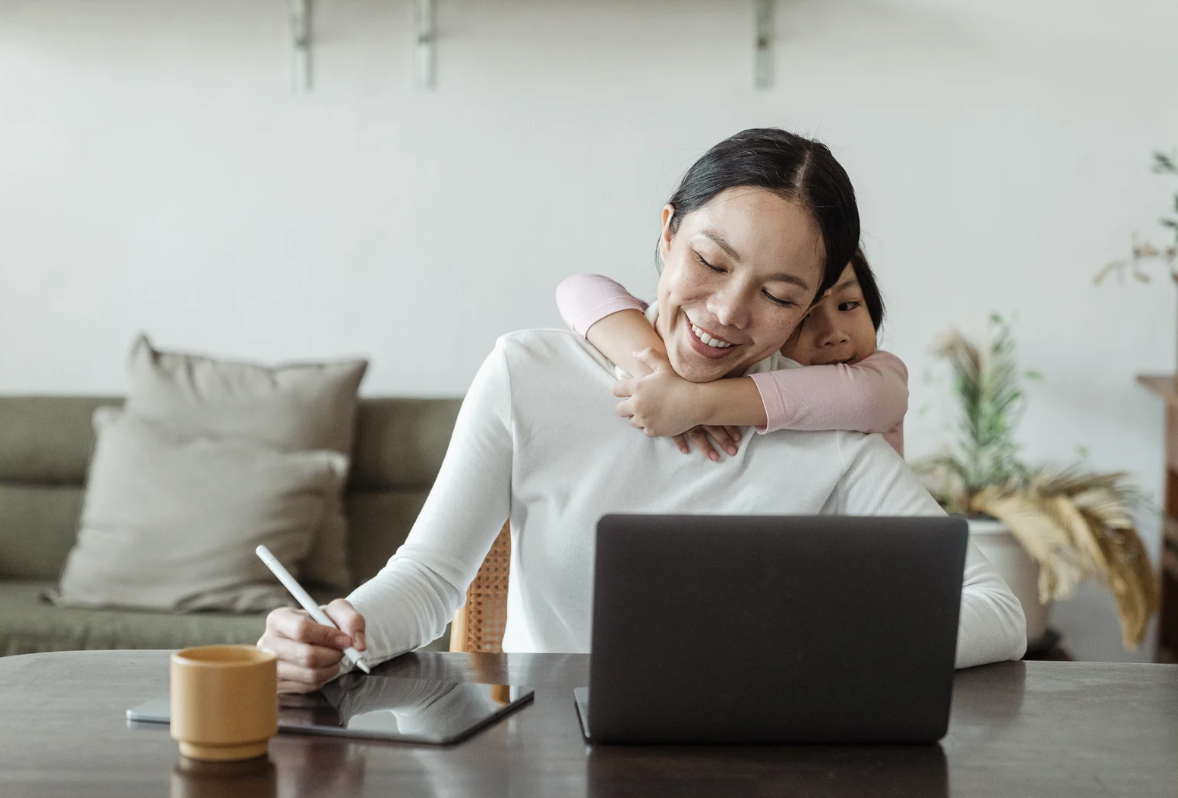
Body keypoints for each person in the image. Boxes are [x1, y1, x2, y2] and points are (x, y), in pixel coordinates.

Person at [259, 128, 1027, 694]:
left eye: (779, 295)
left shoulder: (828, 433)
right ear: (666, 234)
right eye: (711, 262)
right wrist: (335, 630)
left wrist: (826, 645)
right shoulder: (529, 375)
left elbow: (997, 611)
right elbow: (428, 581)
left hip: (756, 767)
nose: (727, 312)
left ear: (810, 309)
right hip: (547, 761)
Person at [554, 247, 908, 459]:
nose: (834, 335)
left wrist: (695, 402)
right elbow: (579, 289)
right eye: (805, 317)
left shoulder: (880, 375)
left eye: (849, 305)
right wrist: (658, 374)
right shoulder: (744, 362)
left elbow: (866, 398)